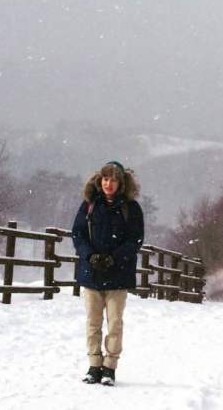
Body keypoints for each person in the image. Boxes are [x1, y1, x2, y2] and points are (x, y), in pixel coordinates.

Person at [72, 161, 145, 386]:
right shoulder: (89, 205)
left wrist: (114, 258)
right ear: (99, 180)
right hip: (92, 274)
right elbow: (78, 234)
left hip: (118, 275)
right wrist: (91, 256)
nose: (108, 184)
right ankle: (94, 365)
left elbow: (135, 240)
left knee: (114, 323)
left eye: (113, 180)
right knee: (93, 323)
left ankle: (109, 367)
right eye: (105, 179)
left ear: (121, 183)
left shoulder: (131, 208)